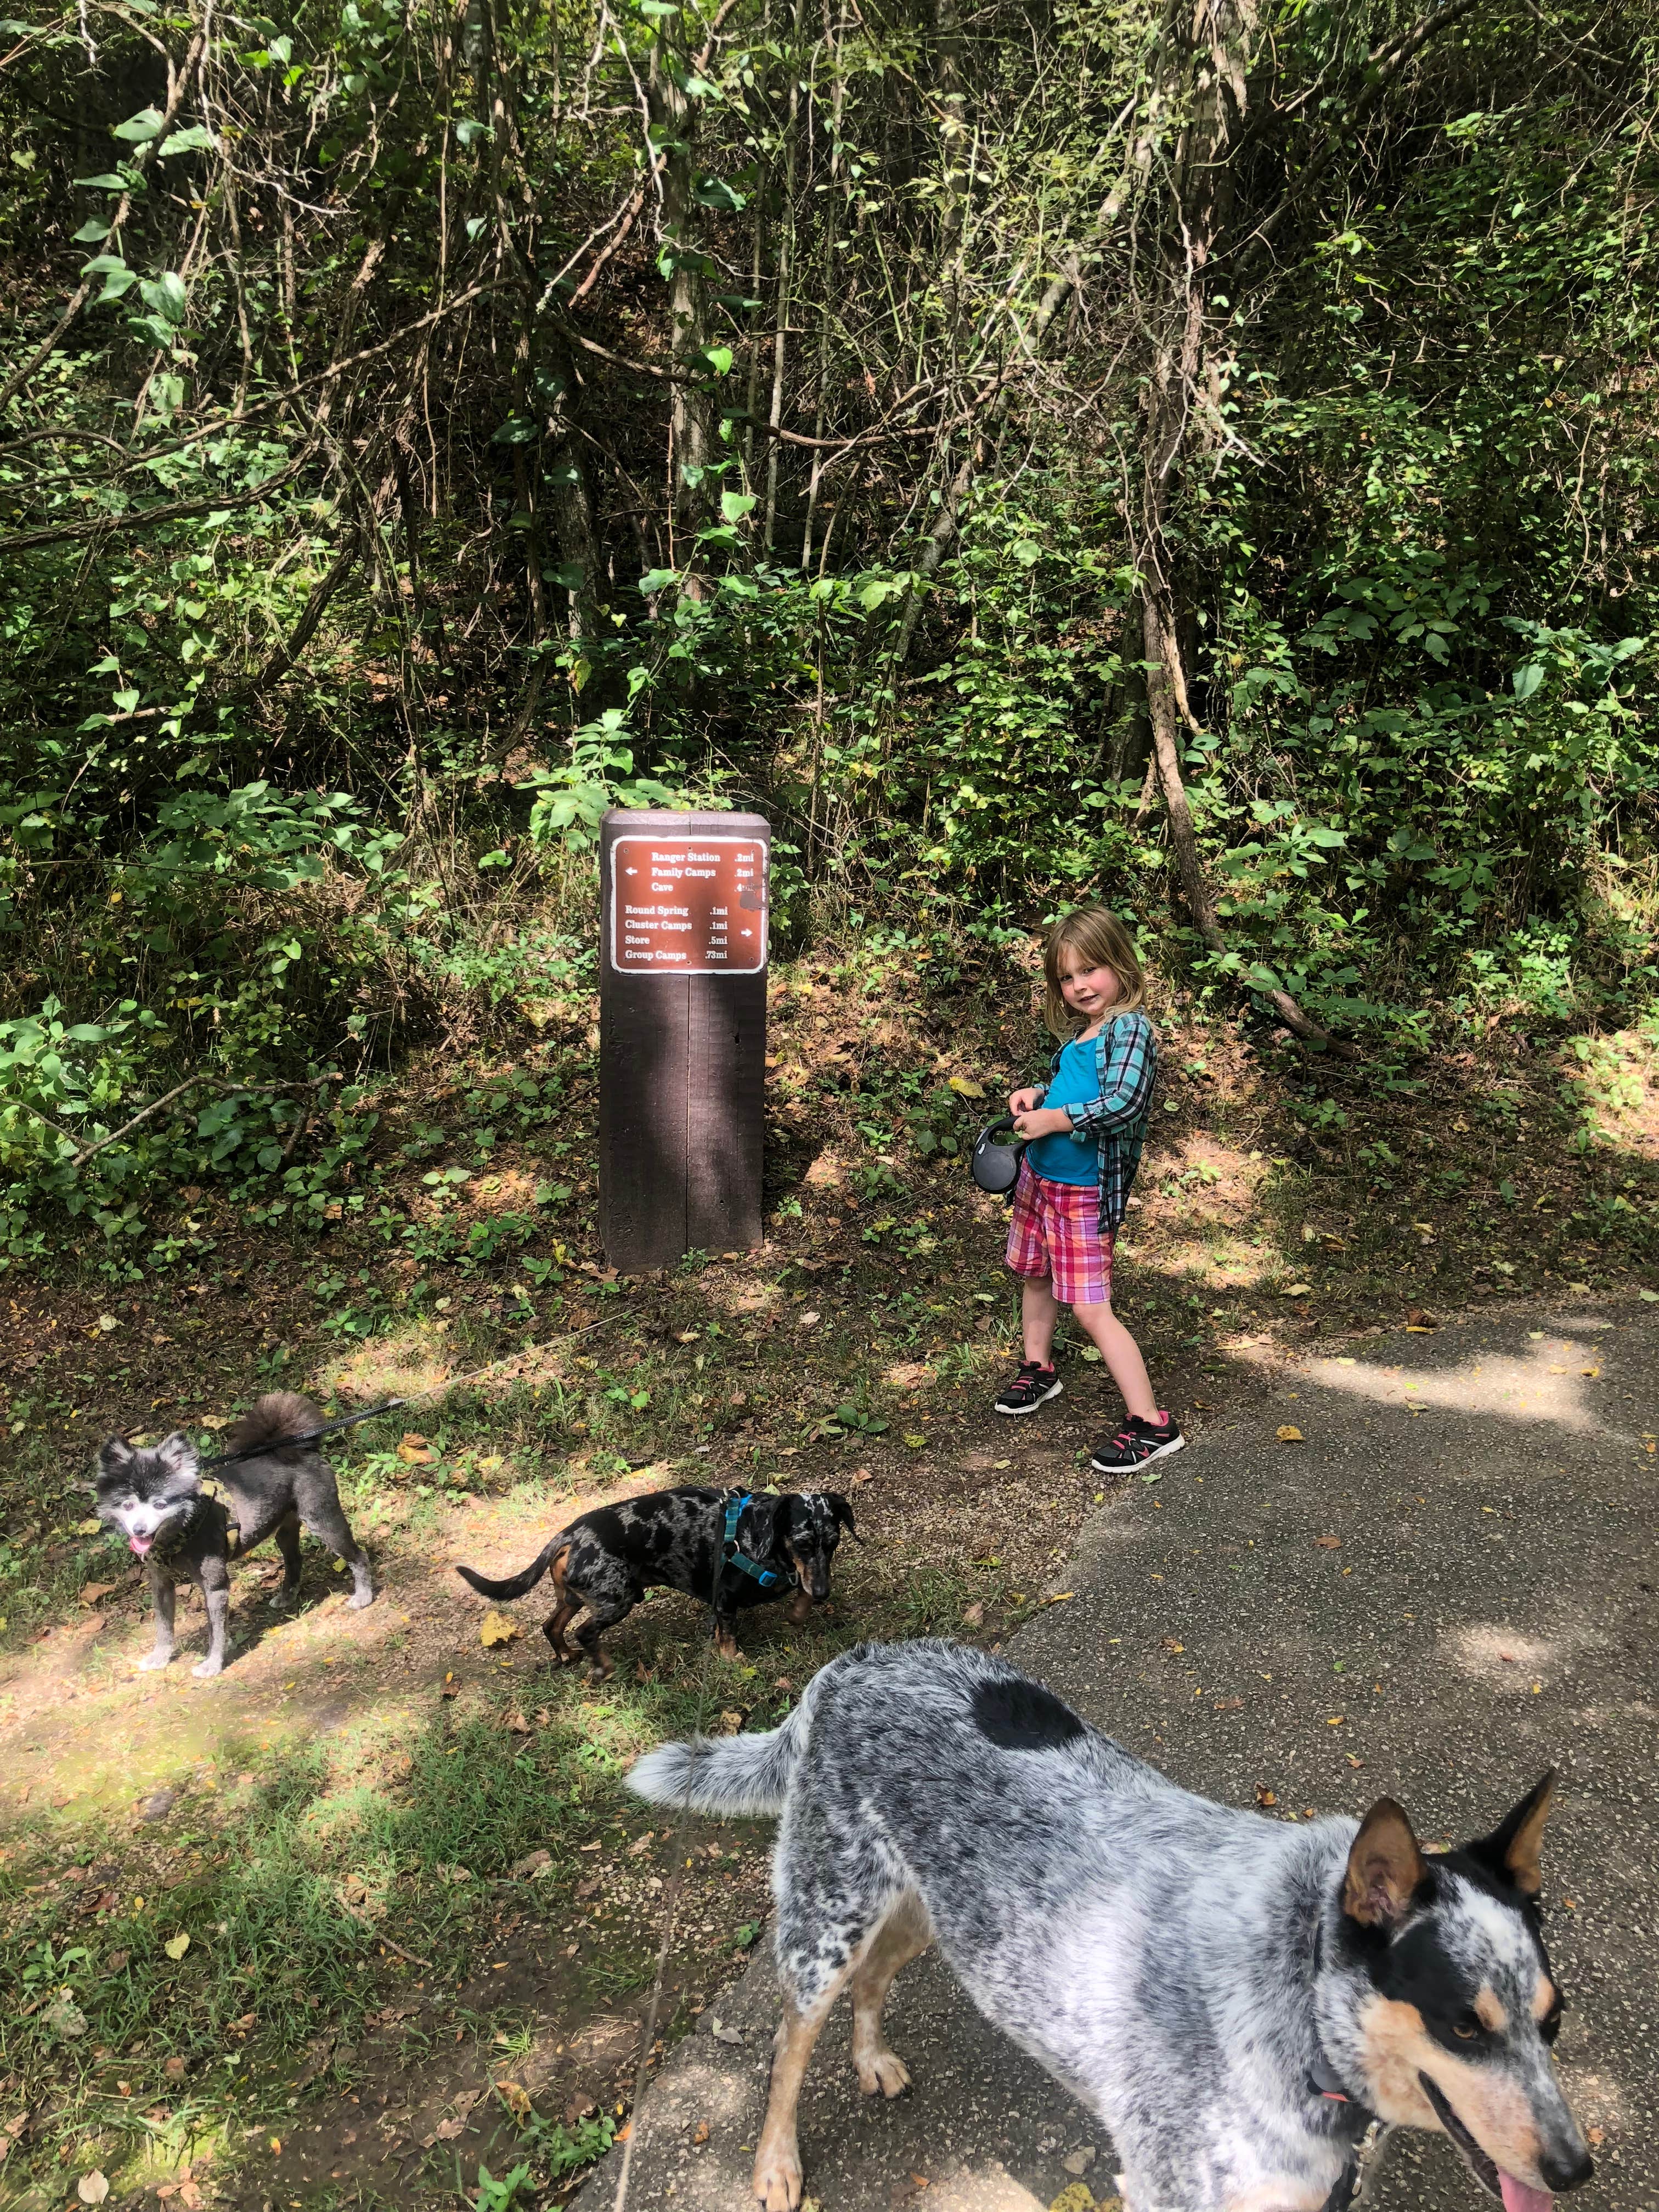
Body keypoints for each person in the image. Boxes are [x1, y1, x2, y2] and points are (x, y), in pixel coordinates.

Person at [993, 904, 1184, 1474]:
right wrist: (1036, 1096)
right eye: (1067, 977)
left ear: (1122, 965)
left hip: (1081, 1191)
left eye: (1091, 970)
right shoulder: (1085, 1034)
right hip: (1040, 1180)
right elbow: (1070, 1089)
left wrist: (1056, 1121)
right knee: (1034, 1275)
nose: (1079, 985)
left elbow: (1123, 1105)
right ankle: (1039, 1369)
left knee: (1091, 1308)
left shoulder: (1131, 1029)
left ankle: (1152, 1423)